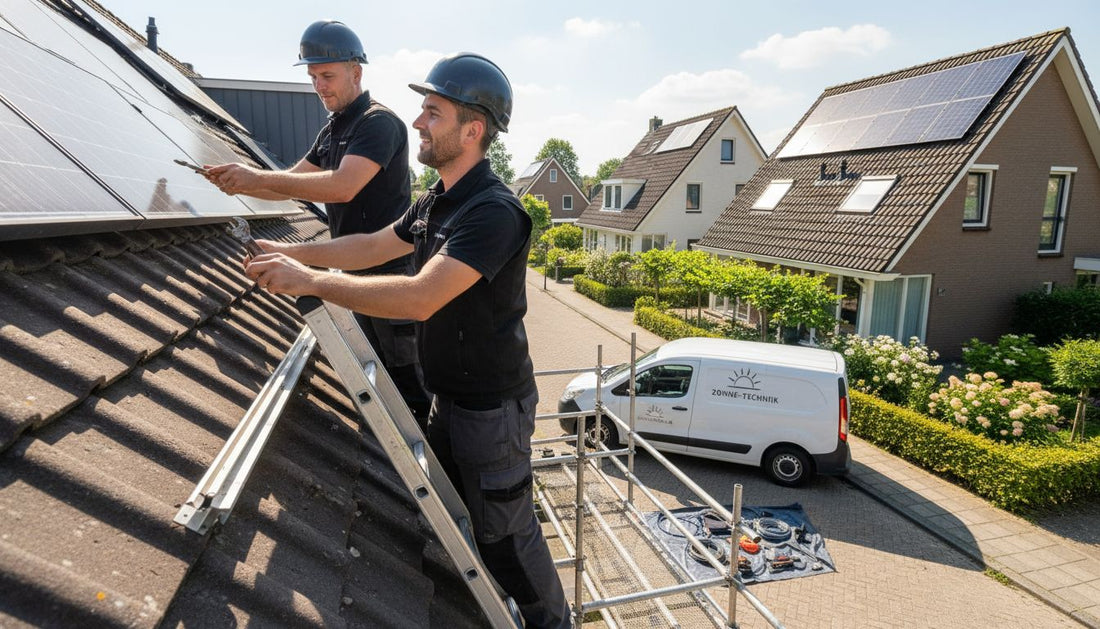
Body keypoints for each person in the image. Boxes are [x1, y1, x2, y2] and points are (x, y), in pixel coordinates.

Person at [242, 52, 571, 628]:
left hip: (492, 411)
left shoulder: (494, 212)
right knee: (466, 523)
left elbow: (421, 295)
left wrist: (314, 282)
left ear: (472, 130)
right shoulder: (438, 198)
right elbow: (369, 247)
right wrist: (291, 255)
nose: (417, 122)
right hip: (450, 399)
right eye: (422, 110)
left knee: (507, 536)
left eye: (433, 112)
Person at [205, 20, 430, 423]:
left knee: (411, 384)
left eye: (327, 75)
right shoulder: (333, 130)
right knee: (379, 379)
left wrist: (256, 177)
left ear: (356, 73)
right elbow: (292, 184)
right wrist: (237, 184)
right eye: (312, 77)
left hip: (391, 274)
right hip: (354, 274)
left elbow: (343, 186)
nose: (319, 86)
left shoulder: (379, 123)